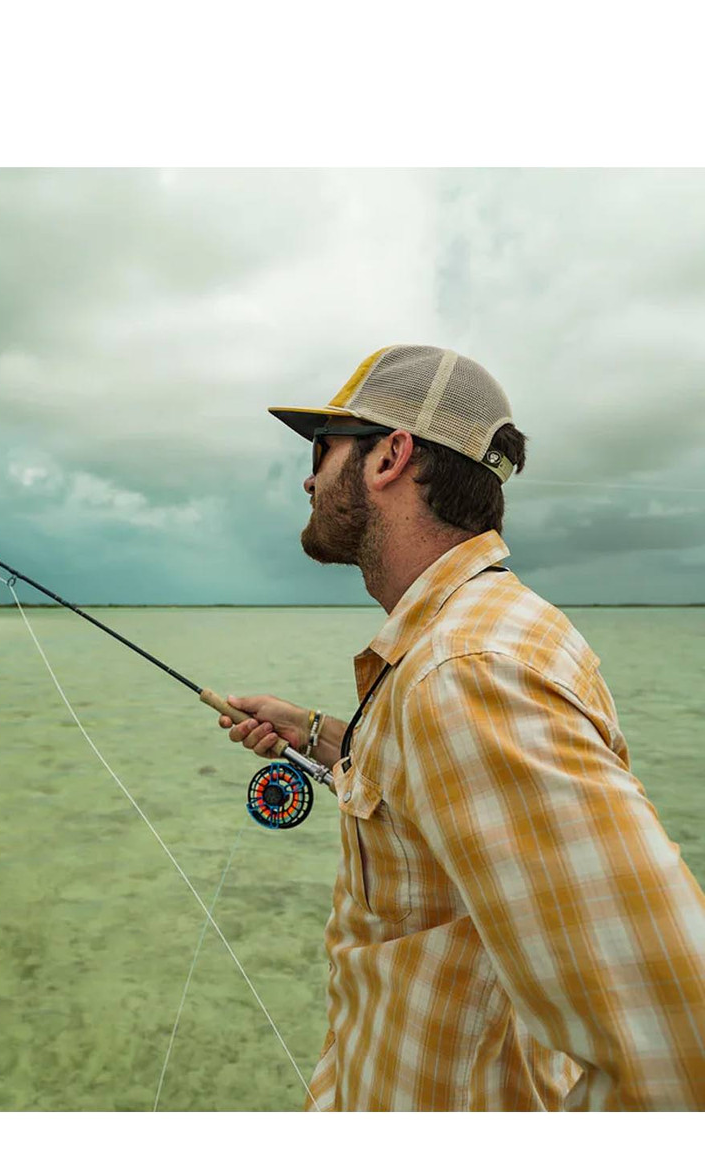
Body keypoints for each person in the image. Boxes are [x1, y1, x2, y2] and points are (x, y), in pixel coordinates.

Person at [219, 344, 705, 1110]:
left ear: (391, 456)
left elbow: (678, 1034)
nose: (309, 479)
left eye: (323, 449)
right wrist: (310, 729)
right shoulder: (470, 640)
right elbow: (428, 790)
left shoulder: (467, 671)